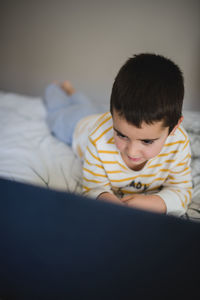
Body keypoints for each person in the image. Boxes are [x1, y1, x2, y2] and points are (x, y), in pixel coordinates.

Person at [43, 53, 192, 217]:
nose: (132, 152)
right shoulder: (97, 137)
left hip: (102, 117)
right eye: (121, 135)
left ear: (174, 128)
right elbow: (93, 187)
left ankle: (72, 91)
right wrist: (111, 203)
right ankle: (56, 88)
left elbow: (182, 190)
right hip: (78, 127)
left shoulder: (179, 144)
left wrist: (156, 203)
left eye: (147, 141)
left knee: (88, 107)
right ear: (113, 115)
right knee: (57, 113)